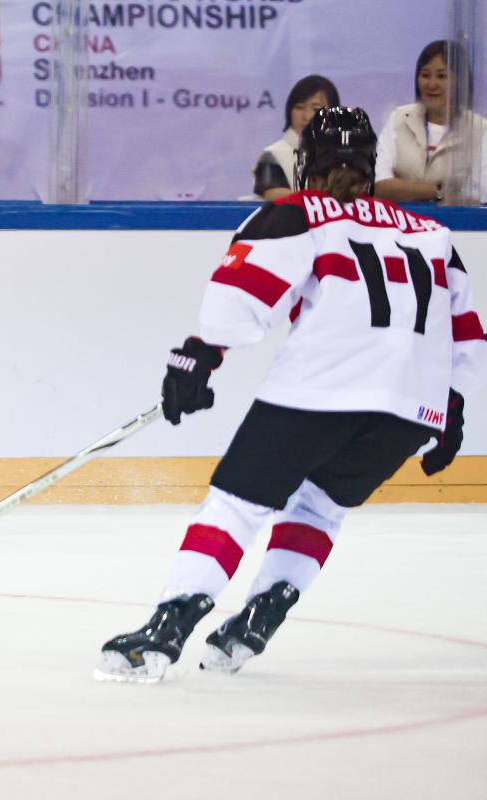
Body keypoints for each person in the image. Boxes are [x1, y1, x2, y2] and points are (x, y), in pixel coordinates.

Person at [95, 108, 487, 684]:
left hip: (322, 389)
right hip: (411, 409)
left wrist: (200, 355)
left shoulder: (300, 213)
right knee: (319, 507)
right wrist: (451, 407)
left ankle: (166, 628)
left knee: (236, 505)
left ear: (307, 164)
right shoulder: (432, 235)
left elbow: (242, 297)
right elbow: (468, 337)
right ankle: (259, 618)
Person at [375, 40, 487, 204]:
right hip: (400, 219)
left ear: (460, 81)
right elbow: (379, 187)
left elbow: (479, 194)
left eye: (442, 76)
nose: (432, 84)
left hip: (456, 220)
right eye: (425, 75)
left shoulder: (480, 130)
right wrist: (441, 190)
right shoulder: (398, 119)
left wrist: (402, 186)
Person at [252, 74, 339, 200]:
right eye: (299, 108)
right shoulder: (272, 156)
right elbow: (283, 203)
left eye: (316, 109)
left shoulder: (344, 156)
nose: (307, 116)